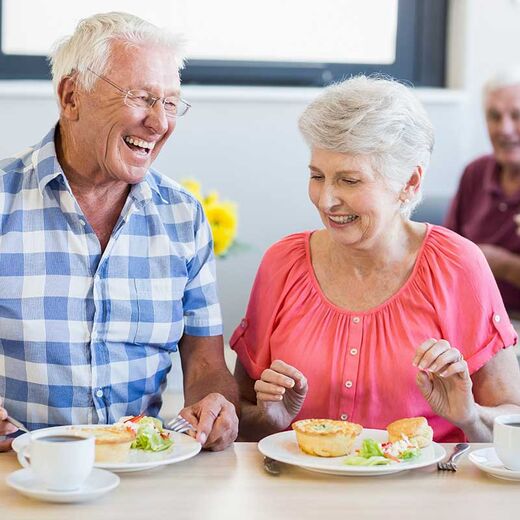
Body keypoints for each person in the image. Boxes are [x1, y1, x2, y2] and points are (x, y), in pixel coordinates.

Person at [231, 75, 520, 443]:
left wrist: (470, 416)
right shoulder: (282, 263)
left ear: (410, 183)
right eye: (317, 176)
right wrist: (265, 420)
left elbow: (513, 421)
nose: (326, 200)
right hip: (294, 491)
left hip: (425, 494)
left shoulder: (458, 264)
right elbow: (238, 412)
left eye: (350, 181)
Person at [0, 12, 238, 452]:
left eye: (170, 103)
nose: (160, 122)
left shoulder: (183, 217)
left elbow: (205, 360)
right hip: (16, 471)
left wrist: (213, 404)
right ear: (71, 97)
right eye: (142, 97)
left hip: (138, 469)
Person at [445, 70, 520, 316]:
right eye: (494, 117)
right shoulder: (475, 172)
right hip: (470, 317)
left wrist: (507, 267)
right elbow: (446, 254)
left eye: (517, 116)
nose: (505, 129)